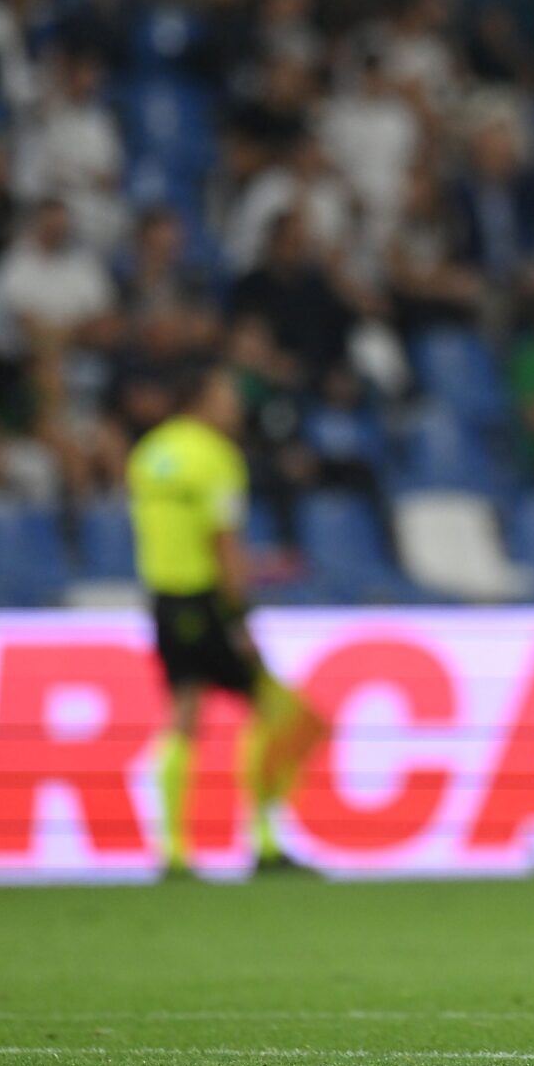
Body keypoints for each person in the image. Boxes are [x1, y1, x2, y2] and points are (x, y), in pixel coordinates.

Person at [125, 363, 331, 877]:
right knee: (281, 714)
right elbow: (222, 544)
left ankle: (172, 852)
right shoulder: (216, 458)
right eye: (226, 395)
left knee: (185, 713)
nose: (235, 405)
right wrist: (239, 613)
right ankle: (263, 841)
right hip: (207, 601)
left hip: (163, 601)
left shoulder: (150, 453)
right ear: (201, 399)